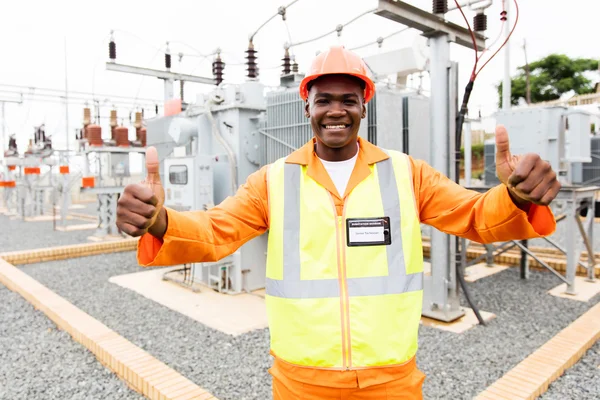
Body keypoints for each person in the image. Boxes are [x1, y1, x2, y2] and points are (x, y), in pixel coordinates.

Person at [116, 46, 560, 399]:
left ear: (364, 106)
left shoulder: (407, 173)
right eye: (323, 99)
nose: (336, 110)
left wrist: (515, 197)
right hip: (302, 382)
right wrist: (160, 222)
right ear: (306, 105)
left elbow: (476, 216)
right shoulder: (273, 180)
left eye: (348, 100)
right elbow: (215, 233)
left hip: (390, 380)